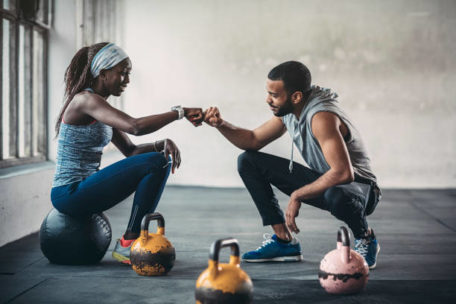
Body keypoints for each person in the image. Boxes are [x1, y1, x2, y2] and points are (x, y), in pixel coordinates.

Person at [203, 61, 381, 269]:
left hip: (361, 190)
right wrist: (220, 124)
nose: (268, 100)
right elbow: (252, 139)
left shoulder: (321, 117)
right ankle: (284, 241)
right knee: (248, 161)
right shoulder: (290, 110)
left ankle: (366, 238)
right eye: (268, 93)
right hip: (329, 180)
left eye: (274, 95)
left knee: (336, 194)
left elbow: (343, 173)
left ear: (296, 96)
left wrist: (297, 195)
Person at [51, 42, 203, 265]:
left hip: (88, 186)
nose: (127, 81)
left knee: (158, 159)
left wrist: (161, 143)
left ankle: (130, 239)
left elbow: (131, 151)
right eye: (122, 73)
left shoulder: (100, 106)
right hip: (69, 193)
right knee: (157, 162)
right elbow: (135, 126)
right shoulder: (86, 100)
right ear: (103, 73)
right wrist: (180, 112)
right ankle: (130, 241)